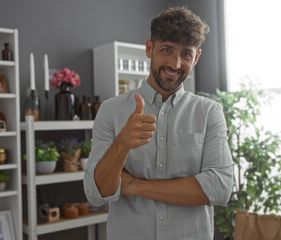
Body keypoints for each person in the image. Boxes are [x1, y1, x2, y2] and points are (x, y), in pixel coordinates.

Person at [84, 6, 233, 240]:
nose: (175, 63)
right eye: (167, 50)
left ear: (196, 58)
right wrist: (122, 144)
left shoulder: (209, 112)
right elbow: (95, 193)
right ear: (149, 48)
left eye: (186, 54)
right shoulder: (110, 111)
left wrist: (134, 185)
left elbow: (220, 187)